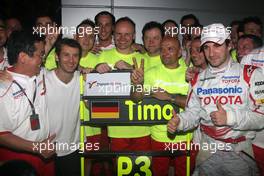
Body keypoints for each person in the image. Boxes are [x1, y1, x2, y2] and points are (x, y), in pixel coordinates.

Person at [167, 23, 264, 176]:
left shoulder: (251, 74)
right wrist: (180, 121)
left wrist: (229, 117)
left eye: (217, 45)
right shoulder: (197, 79)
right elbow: (193, 112)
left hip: (239, 153)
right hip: (207, 151)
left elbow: (261, 117)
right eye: (206, 47)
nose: (211, 53)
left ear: (229, 45)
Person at [131, 36, 196, 176]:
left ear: (180, 53)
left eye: (170, 49)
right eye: (162, 49)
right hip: (158, 136)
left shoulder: (190, 73)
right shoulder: (151, 73)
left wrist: (169, 97)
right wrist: (137, 84)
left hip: (185, 137)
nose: (165, 52)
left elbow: (196, 104)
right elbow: (136, 99)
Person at [0, 30, 56, 176]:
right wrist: (36, 147)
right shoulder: (3, 87)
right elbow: (1, 135)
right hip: (16, 160)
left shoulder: (40, 74)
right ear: (23, 57)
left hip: (45, 153)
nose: (43, 59)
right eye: (40, 55)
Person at [45, 38, 82, 176]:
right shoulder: (43, 78)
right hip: (47, 149)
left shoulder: (83, 79)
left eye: (75, 55)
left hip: (72, 149)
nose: (71, 60)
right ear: (56, 56)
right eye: (66, 55)